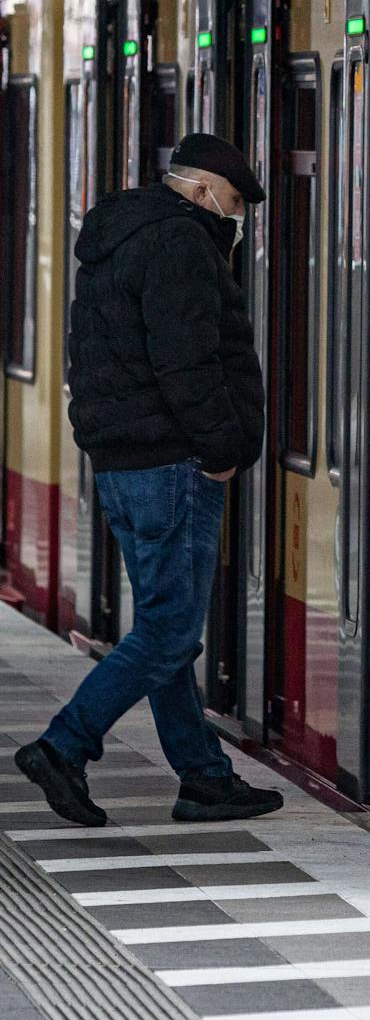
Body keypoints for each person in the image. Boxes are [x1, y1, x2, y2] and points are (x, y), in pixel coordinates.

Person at [14, 133, 285, 827]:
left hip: (123, 463)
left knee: (169, 625)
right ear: (199, 191)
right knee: (168, 629)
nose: (234, 217)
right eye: (230, 202)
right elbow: (187, 359)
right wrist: (222, 446)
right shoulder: (180, 245)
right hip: (172, 466)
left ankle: (203, 776)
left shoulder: (115, 236)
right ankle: (64, 745)